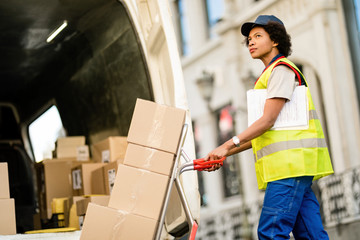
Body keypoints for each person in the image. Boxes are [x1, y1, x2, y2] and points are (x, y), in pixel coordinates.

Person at [204, 15, 334, 239]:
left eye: (257, 36)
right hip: (295, 167)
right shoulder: (269, 75)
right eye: (249, 39)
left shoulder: (281, 70)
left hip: (289, 168)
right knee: (311, 235)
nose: (250, 42)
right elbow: (264, 133)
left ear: (275, 40)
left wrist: (227, 144)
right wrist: (224, 154)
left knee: (271, 233)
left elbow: (267, 121)